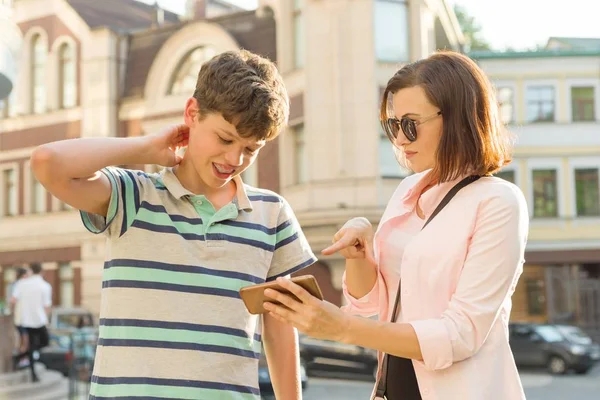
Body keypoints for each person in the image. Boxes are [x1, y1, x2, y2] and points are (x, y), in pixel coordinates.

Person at [31, 49, 315, 399]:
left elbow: (281, 325)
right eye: (225, 139)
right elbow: (47, 163)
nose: (234, 159)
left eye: (250, 149)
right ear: (192, 113)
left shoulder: (272, 214)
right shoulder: (133, 196)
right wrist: (145, 148)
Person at [262, 51, 529, 400]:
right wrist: (360, 256)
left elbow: (460, 334)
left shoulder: (498, 202)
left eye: (410, 124)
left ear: (458, 119)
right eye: (392, 125)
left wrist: (342, 329)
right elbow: (371, 303)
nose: (400, 140)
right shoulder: (407, 191)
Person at [11, 263, 52, 382]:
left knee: (32, 346)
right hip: (39, 320)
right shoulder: (45, 286)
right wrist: (47, 320)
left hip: (25, 320)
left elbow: (13, 300)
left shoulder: (21, 284)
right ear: (41, 271)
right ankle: (32, 372)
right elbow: (47, 306)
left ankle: (21, 358)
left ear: (31, 271)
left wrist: (15, 314)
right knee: (44, 342)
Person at [9, 267, 31, 366]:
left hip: (22, 316)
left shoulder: (17, 285)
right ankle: (22, 358)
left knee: (23, 338)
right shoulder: (19, 285)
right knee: (24, 338)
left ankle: (22, 357)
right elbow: (13, 301)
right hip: (22, 317)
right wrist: (13, 312)